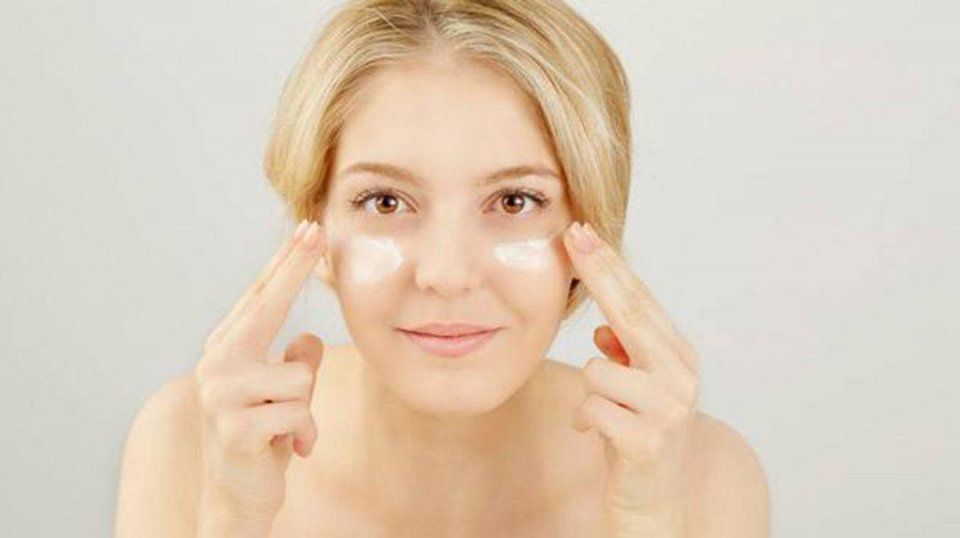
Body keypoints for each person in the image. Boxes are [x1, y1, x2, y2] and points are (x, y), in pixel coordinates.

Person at [115, 1, 770, 536]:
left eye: (514, 201)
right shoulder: (188, 441)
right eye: (386, 201)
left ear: (591, 223)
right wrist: (232, 516)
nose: (448, 274)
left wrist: (649, 521)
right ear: (313, 223)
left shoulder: (702, 475)